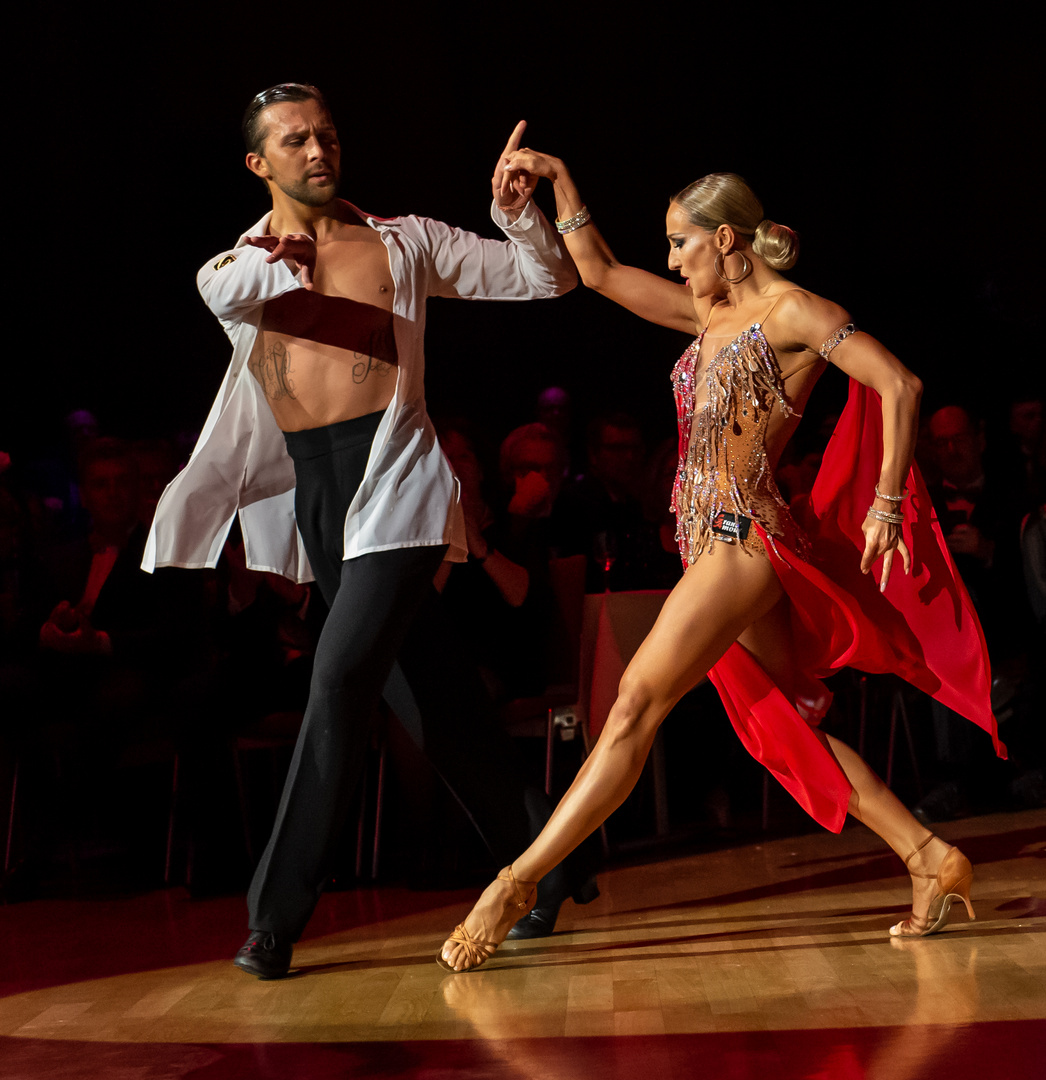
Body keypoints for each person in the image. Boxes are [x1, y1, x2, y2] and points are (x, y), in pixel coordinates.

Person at [438, 153, 1005, 972]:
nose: (671, 261)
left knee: (633, 705)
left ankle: (516, 883)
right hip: (714, 547)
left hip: (746, 543)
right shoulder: (706, 316)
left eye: (681, 244)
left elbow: (902, 384)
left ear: (726, 238)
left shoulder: (795, 312)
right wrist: (560, 186)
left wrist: (886, 502)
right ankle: (926, 855)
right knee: (793, 720)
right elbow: (595, 269)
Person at [143, 84, 577, 978]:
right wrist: (283, 254)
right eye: (294, 139)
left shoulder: (404, 239)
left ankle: (274, 918)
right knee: (434, 702)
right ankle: (553, 861)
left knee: (337, 683)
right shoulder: (241, 266)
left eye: (327, 133)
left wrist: (516, 218)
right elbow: (223, 290)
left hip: (398, 485)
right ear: (259, 163)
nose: (317, 148)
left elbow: (546, 277)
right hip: (316, 494)